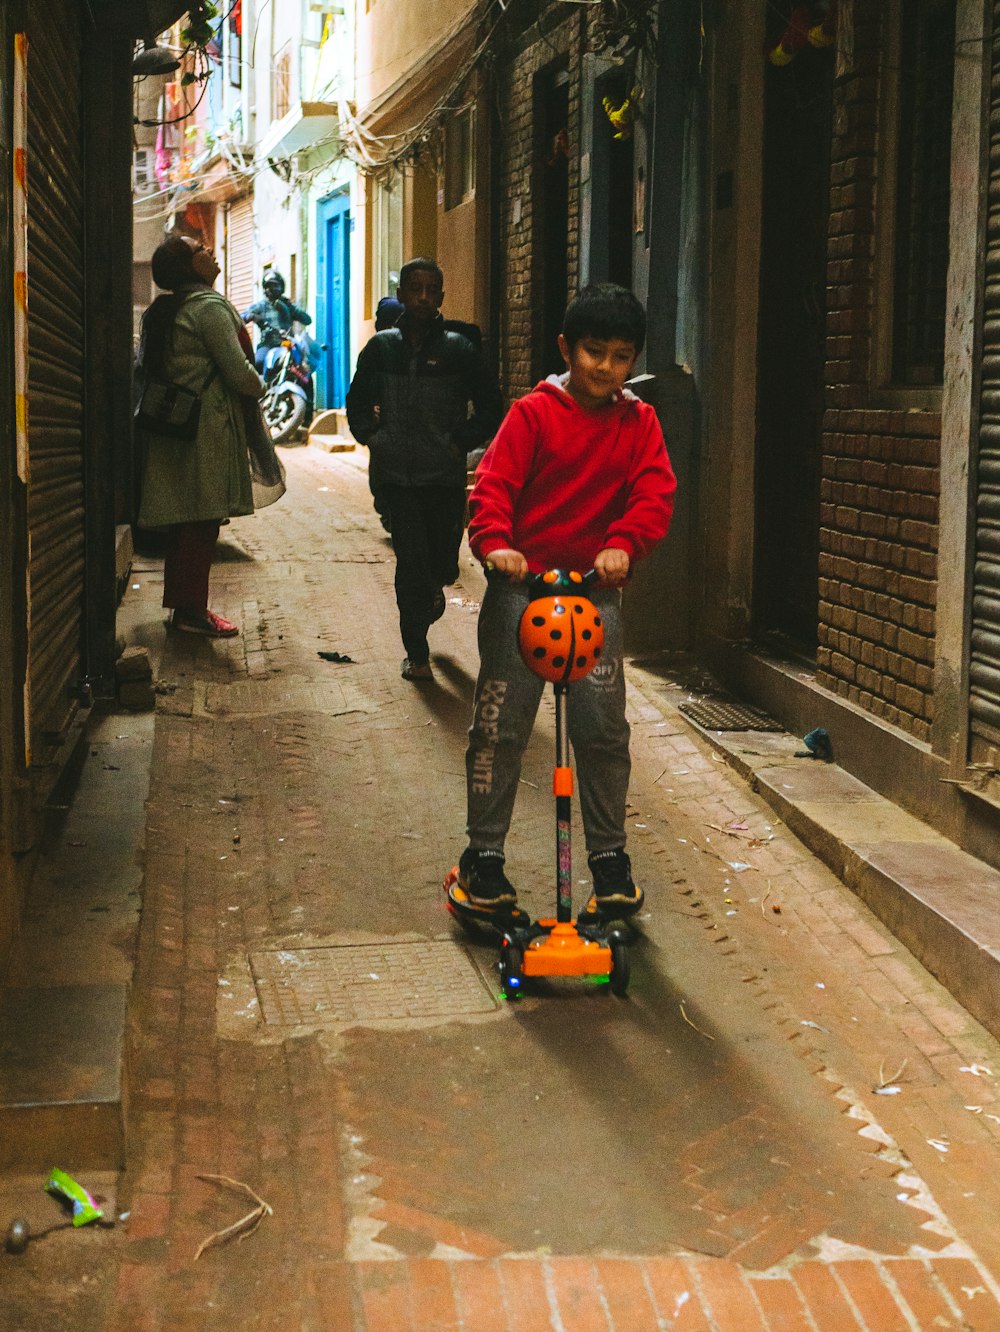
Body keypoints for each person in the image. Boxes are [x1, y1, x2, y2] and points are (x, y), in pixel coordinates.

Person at [457, 283, 677, 918]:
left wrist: (624, 545)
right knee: (500, 728)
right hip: (521, 594)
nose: (605, 368)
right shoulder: (533, 414)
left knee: (603, 732)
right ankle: (483, 858)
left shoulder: (640, 423)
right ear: (566, 348)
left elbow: (653, 495)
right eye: (592, 352)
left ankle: (610, 861)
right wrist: (497, 543)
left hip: (594, 595)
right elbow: (493, 486)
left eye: (619, 355)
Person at [346, 258, 504, 680]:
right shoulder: (381, 349)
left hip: (444, 478)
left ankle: (433, 594)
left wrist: (459, 442)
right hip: (397, 479)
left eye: (430, 290)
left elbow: (491, 406)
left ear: (441, 298)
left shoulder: (459, 349)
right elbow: (357, 402)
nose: (422, 297)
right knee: (410, 564)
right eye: (414, 289)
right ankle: (416, 651)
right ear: (400, 295)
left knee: (443, 565)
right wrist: (374, 439)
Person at [136, 233, 282, 638]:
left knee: (187, 522)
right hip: (206, 431)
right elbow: (238, 373)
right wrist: (259, 385)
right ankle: (191, 613)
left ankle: (185, 607)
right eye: (199, 250)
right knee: (200, 522)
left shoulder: (166, 310)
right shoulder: (209, 308)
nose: (210, 251)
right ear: (188, 266)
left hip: (175, 426)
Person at [241, 271, 312, 375]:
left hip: (288, 345)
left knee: (305, 371)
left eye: (275, 285)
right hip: (268, 344)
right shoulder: (261, 306)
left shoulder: (288, 305)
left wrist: (291, 308)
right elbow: (240, 318)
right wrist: (251, 317)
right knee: (257, 363)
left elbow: (307, 320)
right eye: (268, 286)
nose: (271, 289)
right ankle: (260, 389)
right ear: (265, 289)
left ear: (281, 287)